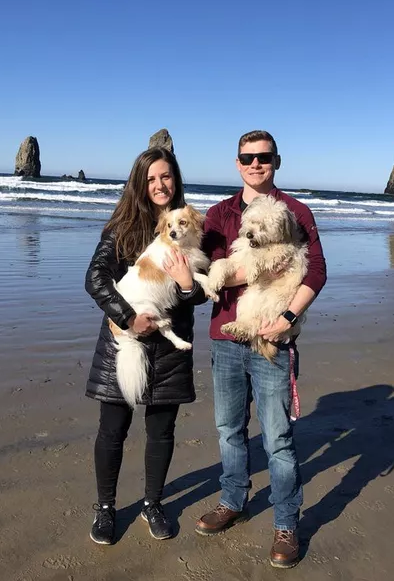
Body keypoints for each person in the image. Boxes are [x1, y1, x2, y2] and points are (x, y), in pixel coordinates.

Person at [196, 130, 327, 568]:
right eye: (248, 157)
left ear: (276, 161)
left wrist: (287, 319)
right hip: (226, 337)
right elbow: (210, 273)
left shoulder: (296, 212)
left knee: (278, 440)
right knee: (229, 430)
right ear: (237, 163)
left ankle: (286, 523)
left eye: (264, 157)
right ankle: (233, 500)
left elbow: (317, 273)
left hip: (275, 336)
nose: (256, 164)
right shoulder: (218, 214)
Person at [84, 147, 208, 545]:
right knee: (112, 429)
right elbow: (96, 278)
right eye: (151, 178)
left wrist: (188, 284)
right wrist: (126, 317)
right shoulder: (120, 227)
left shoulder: (186, 226)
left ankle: (153, 503)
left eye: (166, 177)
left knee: (162, 430)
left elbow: (200, 295)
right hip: (123, 338)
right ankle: (106, 508)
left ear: (176, 179)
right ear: (140, 182)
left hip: (172, 345)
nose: (159, 185)